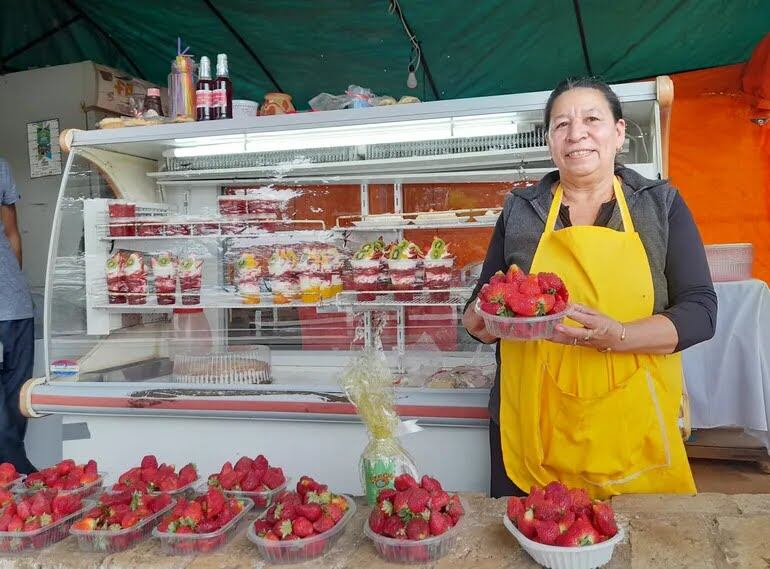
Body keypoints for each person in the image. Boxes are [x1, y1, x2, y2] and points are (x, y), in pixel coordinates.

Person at [462, 77, 717, 499]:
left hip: (631, 420)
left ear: (618, 133)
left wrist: (618, 335)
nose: (576, 133)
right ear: (549, 141)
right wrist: (481, 322)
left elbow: (701, 312)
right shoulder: (521, 210)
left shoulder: (659, 204)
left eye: (592, 119)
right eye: (561, 124)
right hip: (532, 420)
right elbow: (480, 310)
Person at [0, 158, 36, 473]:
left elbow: (12, 234)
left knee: (17, 397)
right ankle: (16, 471)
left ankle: (14, 474)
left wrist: (13, 282)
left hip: (14, 307)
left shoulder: (1, 167)